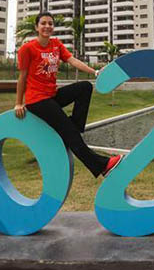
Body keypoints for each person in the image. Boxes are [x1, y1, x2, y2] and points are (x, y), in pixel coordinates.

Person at [15, 11, 122, 178]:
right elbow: (22, 77)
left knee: (85, 87)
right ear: (36, 27)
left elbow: (72, 61)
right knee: (69, 131)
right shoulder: (27, 49)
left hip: (52, 95)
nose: (47, 26)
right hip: (37, 100)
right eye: (43, 23)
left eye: (50, 23)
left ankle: (74, 127)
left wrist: (94, 72)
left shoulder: (56, 44)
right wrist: (18, 103)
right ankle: (102, 166)